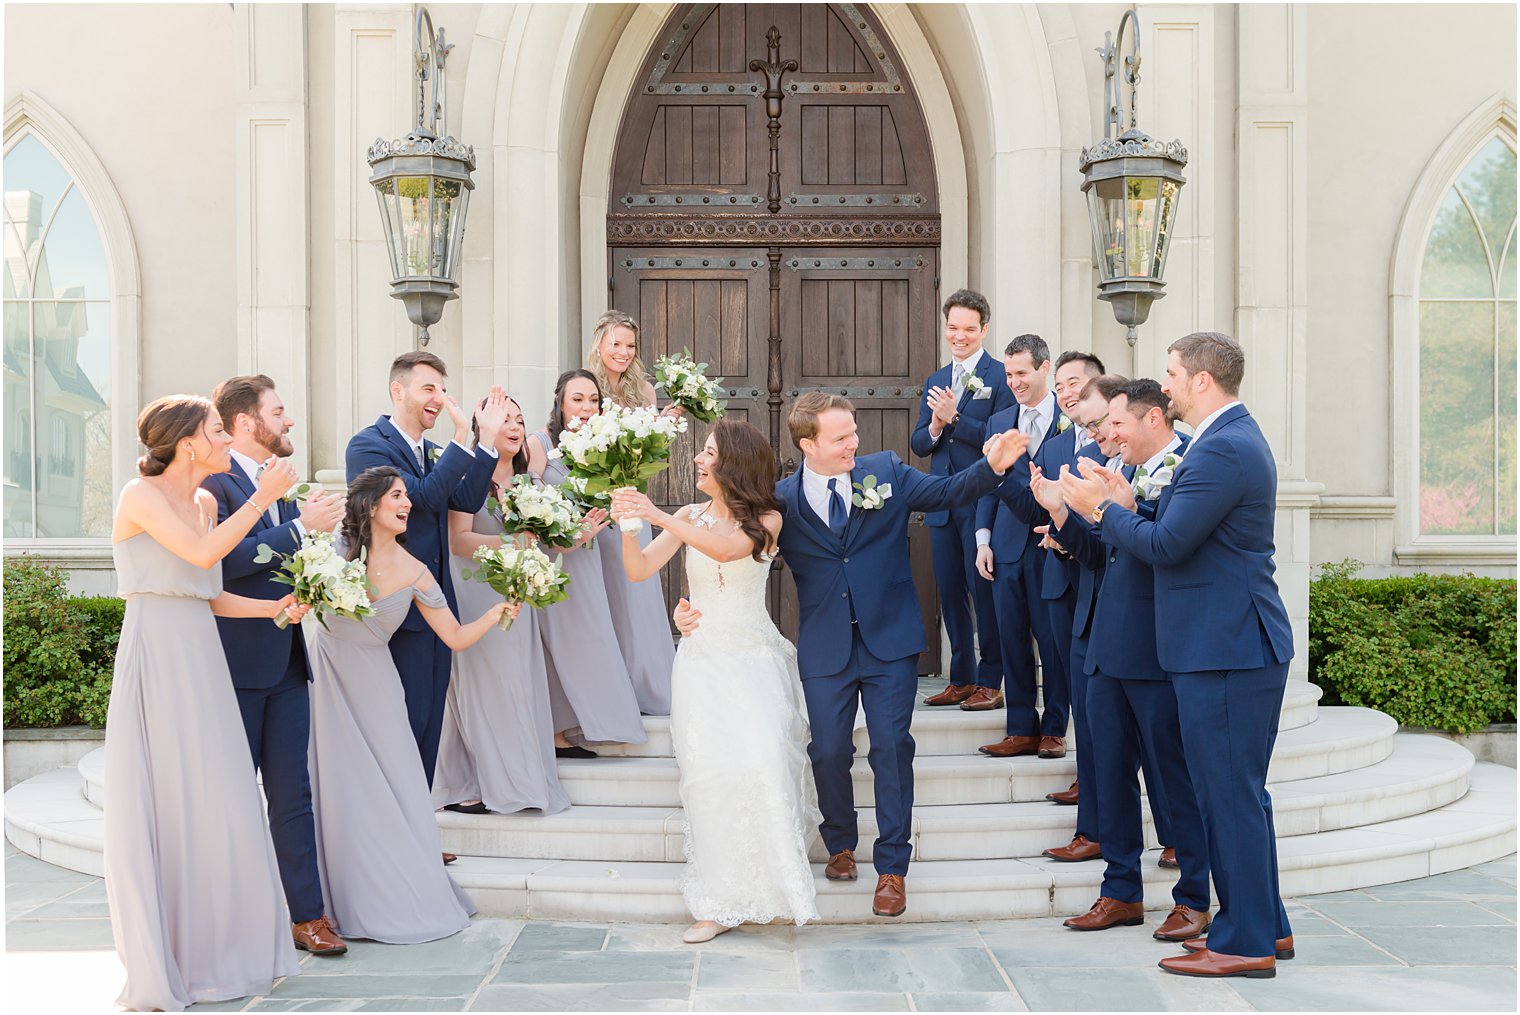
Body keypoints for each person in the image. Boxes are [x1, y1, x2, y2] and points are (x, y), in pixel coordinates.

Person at [677, 393, 1028, 919]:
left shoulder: (886, 470)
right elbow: (737, 553)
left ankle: (892, 868)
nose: (853, 444)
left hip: (890, 640)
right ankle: (840, 842)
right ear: (808, 445)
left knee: (890, 746)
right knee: (828, 751)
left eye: (854, 432)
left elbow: (948, 491)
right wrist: (693, 609)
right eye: (841, 438)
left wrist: (992, 467)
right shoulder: (781, 502)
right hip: (825, 645)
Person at [1060, 332, 1295, 979]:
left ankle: (1243, 939)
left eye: (1170, 373)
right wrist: (1132, 501)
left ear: (1200, 381)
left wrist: (1103, 509)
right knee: (1241, 795)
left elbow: (1167, 546)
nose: (1163, 385)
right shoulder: (1227, 442)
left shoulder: (1223, 448)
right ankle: (1265, 926)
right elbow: (1179, 524)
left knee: (1230, 797)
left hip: (1226, 648)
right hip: (1226, 644)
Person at [105, 394, 308, 1012]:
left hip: (201, 655)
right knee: (167, 799)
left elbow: (211, 591)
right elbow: (198, 555)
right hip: (157, 656)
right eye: (218, 431)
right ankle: (169, 958)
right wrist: (263, 498)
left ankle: (218, 950)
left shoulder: (203, 502)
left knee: (218, 800)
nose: (226, 439)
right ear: (189, 443)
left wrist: (274, 608)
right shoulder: (138, 496)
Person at [610, 419, 818, 944]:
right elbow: (640, 571)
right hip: (701, 662)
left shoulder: (768, 519)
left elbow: (728, 551)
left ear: (734, 465)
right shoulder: (687, 516)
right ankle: (717, 902)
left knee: (764, 763)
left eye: (708, 453)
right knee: (710, 778)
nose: (699, 460)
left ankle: (775, 886)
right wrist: (630, 529)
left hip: (753, 660)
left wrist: (654, 512)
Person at [306, 466, 509, 944]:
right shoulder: (331, 550)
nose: (407, 504)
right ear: (371, 504)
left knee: (395, 787)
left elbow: (455, 637)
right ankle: (325, 901)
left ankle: (387, 893)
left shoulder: (417, 570)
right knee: (331, 786)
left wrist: (494, 614)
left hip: (377, 687)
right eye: (397, 496)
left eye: (406, 497)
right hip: (324, 680)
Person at [1038, 379, 1210, 942]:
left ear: (1153, 419)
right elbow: (1099, 557)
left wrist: (1114, 509)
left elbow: (1167, 547)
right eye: (1107, 424)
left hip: (1158, 649)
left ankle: (1192, 898)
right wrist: (1064, 516)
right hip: (1105, 644)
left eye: (1118, 424)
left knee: (1171, 777)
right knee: (1106, 774)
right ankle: (1120, 892)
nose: (1108, 434)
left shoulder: (1189, 467)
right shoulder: (1125, 472)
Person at [202, 374, 348, 956]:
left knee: (294, 793)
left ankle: (307, 916)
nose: (289, 421)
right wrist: (296, 530)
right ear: (245, 423)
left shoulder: (278, 484)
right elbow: (219, 565)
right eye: (280, 411)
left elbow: (284, 556)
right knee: (231, 795)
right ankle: (233, 918)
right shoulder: (212, 482)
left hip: (288, 663)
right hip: (233, 668)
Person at [344, 351, 507, 788]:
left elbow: (465, 500)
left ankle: (418, 833)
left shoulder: (433, 451)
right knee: (399, 724)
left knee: (429, 724)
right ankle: (391, 834)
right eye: (428, 389)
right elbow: (422, 497)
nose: (438, 398)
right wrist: (460, 434)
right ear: (399, 391)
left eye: (442, 389)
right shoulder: (368, 446)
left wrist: (486, 441)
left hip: (436, 606)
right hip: (394, 611)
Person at [433, 395, 571, 816]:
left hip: (519, 593)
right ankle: (484, 783)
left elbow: (543, 538)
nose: (514, 425)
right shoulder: (469, 477)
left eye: (520, 418)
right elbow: (458, 542)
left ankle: (523, 782)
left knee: (519, 686)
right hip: (478, 592)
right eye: (504, 418)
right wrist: (511, 542)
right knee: (487, 689)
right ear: (484, 426)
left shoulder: (531, 484)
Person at [525, 369, 649, 751]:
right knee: (562, 642)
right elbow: (526, 492)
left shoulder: (602, 445)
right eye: (577, 399)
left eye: (593, 399)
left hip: (591, 556)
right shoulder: (539, 442)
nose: (585, 407)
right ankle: (559, 733)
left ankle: (596, 723)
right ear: (560, 403)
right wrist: (563, 528)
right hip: (555, 554)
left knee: (593, 637)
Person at [910, 289, 1014, 707]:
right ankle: (962, 677)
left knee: (983, 592)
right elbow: (920, 443)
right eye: (953, 327)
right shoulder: (936, 380)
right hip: (941, 503)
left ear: (983, 329)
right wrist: (936, 425)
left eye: (968, 329)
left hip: (983, 501)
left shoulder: (1001, 377)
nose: (959, 336)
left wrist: (956, 418)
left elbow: (998, 438)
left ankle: (991, 680)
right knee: (950, 592)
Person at [971, 335, 1069, 755]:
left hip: (1054, 544)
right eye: (1009, 374)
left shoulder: (1070, 417)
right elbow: (986, 486)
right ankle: (1020, 728)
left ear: (1044, 368)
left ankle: (1054, 729)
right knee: (1012, 637)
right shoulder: (999, 421)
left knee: (1052, 640)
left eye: (1022, 373)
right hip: (1008, 544)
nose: (1014, 382)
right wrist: (983, 539)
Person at [587, 309, 678, 714]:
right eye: (616, 344)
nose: (623, 352)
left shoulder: (643, 390)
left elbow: (651, 449)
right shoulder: (585, 387)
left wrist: (665, 424)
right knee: (605, 596)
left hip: (633, 500)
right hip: (597, 504)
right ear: (600, 344)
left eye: (630, 346)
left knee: (636, 592)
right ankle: (610, 689)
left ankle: (646, 686)